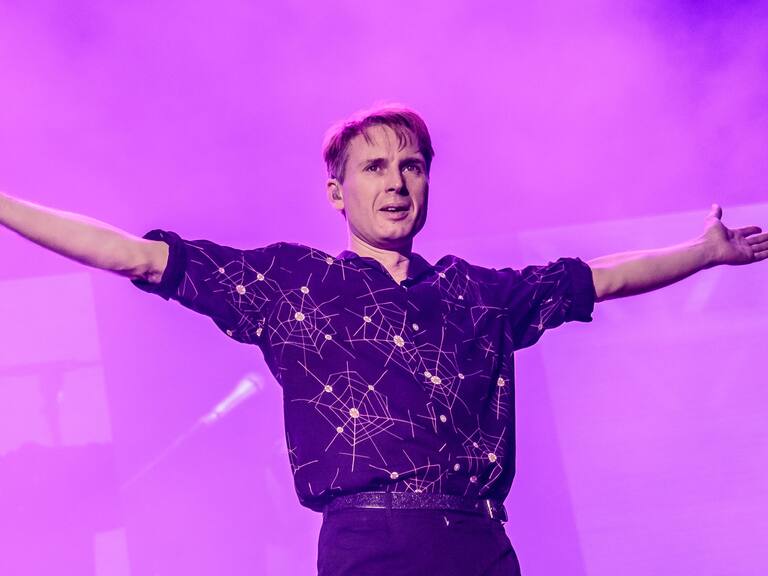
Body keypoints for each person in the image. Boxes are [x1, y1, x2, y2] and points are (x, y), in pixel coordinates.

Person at [1, 105, 765, 576]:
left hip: (479, 544)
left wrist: (703, 254)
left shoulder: (473, 292)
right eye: (375, 167)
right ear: (338, 192)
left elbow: (599, 278)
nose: (396, 181)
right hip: (372, 545)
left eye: (412, 166)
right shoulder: (294, 287)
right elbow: (129, 254)